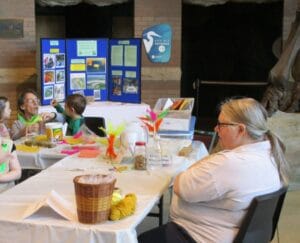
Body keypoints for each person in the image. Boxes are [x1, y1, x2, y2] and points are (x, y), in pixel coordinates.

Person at [138, 97, 290, 243]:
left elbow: (181, 187)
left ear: (241, 130)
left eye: (222, 125)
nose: (216, 129)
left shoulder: (230, 163)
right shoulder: (270, 152)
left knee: (138, 239)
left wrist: (209, 159)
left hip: (200, 236)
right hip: (234, 232)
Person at [0, 97, 21, 192]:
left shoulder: (8, 144)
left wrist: (1, 177)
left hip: (6, 192)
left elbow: (17, 172)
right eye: (8, 108)